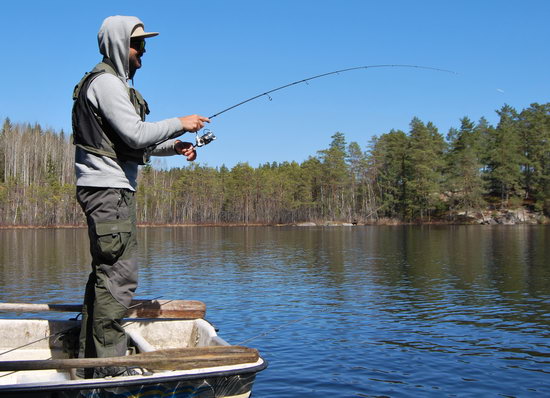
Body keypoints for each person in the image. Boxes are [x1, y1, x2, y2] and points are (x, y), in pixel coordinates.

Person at [72, 15, 209, 378]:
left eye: (144, 45)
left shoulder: (114, 84)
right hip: (108, 190)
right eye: (138, 45)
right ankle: (110, 370)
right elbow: (135, 134)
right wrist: (181, 121)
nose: (143, 52)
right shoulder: (106, 84)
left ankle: (92, 360)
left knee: (107, 273)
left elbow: (136, 142)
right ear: (119, 44)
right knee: (119, 276)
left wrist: (176, 146)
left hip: (111, 189)